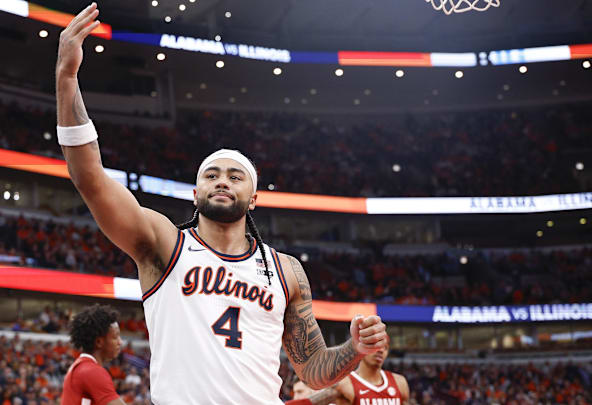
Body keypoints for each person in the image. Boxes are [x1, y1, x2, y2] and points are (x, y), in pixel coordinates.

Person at [56, 4, 388, 404]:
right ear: (195, 194)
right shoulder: (164, 244)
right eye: (211, 175)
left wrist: (354, 348)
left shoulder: (285, 270)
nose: (222, 181)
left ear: (253, 198)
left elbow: (314, 370)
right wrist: (66, 78)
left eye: (235, 176)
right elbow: (89, 178)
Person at [61, 304, 125, 405]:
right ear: (99, 342)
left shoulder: (82, 367)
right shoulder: (92, 371)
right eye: (115, 337)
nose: (120, 342)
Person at [335, 338, 409, 405]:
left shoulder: (400, 382)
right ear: (360, 348)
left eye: (385, 347)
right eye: (374, 345)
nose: (381, 350)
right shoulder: (344, 385)